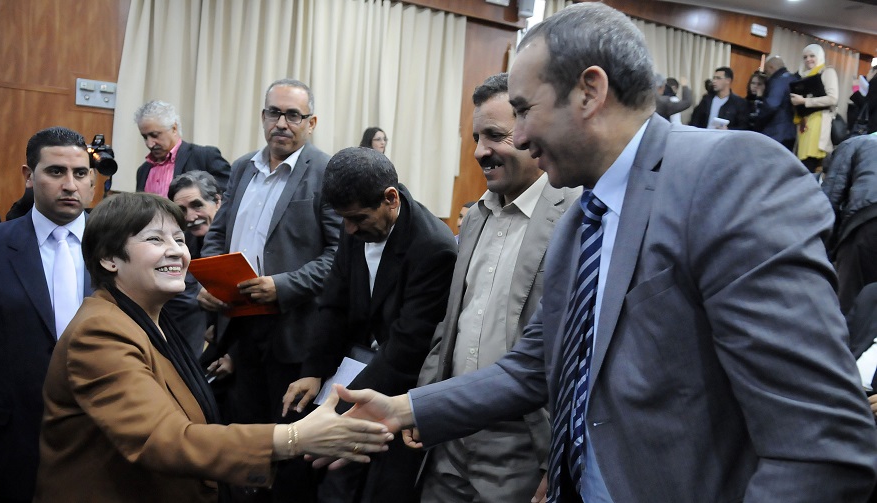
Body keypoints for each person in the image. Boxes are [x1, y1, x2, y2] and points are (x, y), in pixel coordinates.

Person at [329, 3, 877, 502]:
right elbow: (533, 366)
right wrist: (405, 407)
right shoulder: (580, 221)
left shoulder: (727, 175)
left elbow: (820, 446)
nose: (519, 137)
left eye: (524, 110)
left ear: (589, 92)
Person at [32, 192, 391, 503]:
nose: (176, 252)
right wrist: (296, 437)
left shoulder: (151, 319)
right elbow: (163, 439)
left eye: (179, 239)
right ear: (109, 259)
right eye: (155, 240)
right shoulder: (100, 332)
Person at [415, 72, 579, 503]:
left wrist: (556, 459)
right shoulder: (474, 218)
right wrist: (424, 403)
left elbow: (577, 352)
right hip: (448, 435)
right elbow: (450, 323)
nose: (479, 152)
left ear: (530, 132)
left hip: (524, 444)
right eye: (476, 138)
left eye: (494, 136)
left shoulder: (576, 214)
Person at [283, 147, 457, 503]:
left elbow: (408, 347)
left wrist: (342, 404)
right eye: (343, 219)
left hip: (400, 390)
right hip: (358, 367)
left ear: (390, 199)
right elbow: (334, 305)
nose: (348, 229)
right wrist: (313, 371)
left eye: (357, 219)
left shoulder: (433, 248)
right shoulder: (356, 222)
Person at [199, 78, 342, 503]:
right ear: (263, 117)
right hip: (238, 328)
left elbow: (339, 255)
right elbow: (218, 233)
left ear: (311, 122)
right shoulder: (243, 166)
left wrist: (282, 286)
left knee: (288, 445)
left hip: (293, 331)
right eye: (274, 113)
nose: (282, 123)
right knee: (243, 433)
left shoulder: (326, 171)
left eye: (293, 115)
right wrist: (209, 281)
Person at [0, 126, 96, 502]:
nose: (70, 185)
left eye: (80, 173)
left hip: (104, 436)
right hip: (12, 440)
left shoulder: (119, 246)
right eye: (56, 171)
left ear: (92, 180)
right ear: (29, 176)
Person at [164, 171, 223, 357]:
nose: (190, 217)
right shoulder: (177, 244)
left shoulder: (238, 238)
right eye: (182, 210)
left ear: (217, 201)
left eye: (197, 205)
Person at [821, 134, 877, 313]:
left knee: (848, 302)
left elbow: (831, 198)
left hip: (867, 219)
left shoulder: (853, 144)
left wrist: (824, 251)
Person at [134, 100, 232, 196]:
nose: (150, 144)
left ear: (174, 128)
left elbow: (230, 195)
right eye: (145, 137)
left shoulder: (204, 157)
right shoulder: (143, 171)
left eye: (155, 135)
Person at [791, 44, 839, 174]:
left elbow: (833, 98)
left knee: (809, 165)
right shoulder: (802, 76)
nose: (808, 59)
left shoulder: (827, 72)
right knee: (802, 165)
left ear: (820, 56)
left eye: (812, 56)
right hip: (805, 124)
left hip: (819, 123)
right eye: (805, 57)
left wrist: (804, 101)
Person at [758, 55, 797, 151]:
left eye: (766, 71)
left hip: (775, 133)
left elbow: (771, 106)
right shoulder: (794, 78)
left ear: (771, 67)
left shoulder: (777, 81)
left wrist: (758, 122)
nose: (766, 75)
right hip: (791, 132)